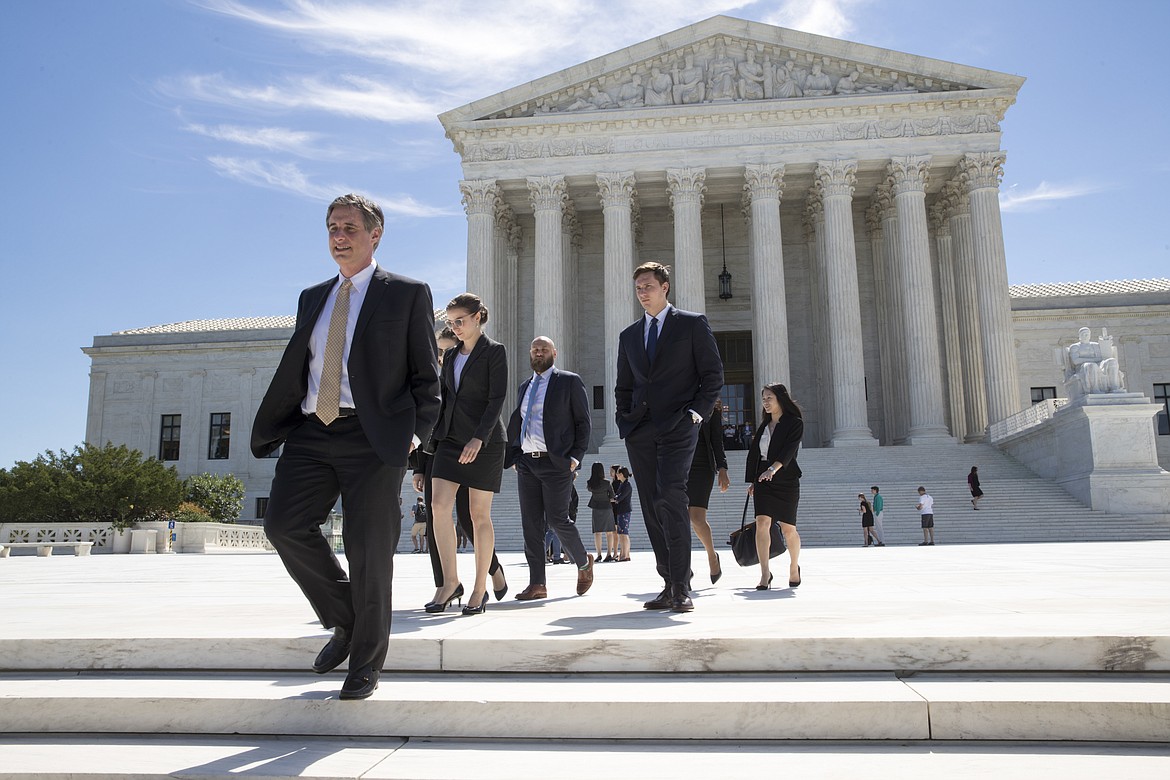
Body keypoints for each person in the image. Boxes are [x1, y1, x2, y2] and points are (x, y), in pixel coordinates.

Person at [251, 193, 441, 701]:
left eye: (350, 228)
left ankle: (366, 661)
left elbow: (427, 376)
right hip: (312, 429)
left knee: (369, 549)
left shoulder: (406, 294)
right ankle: (347, 620)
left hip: (372, 436)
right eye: (333, 227)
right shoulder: (312, 296)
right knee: (284, 525)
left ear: (374, 234)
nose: (340, 236)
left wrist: (414, 437)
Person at [616, 262, 724, 613]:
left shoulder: (692, 324)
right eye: (638, 288)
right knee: (650, 505)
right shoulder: (629, 336)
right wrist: (625, 422)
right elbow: (624, 386)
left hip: (679, 427)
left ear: (665, 287)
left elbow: (712, 375)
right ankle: (668, 582)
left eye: (648, 286)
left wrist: (695, 415)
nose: (642, 293)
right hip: (641, 431)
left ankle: (681, 585)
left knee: (670, 497)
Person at [427, 293, 509, 617]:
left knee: (478, 516)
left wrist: (479, 438)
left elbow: (496, 399)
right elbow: (444, 401)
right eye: (451, 322)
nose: (455, 327)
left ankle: (479, 588)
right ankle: (450, 583)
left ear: (477, 317)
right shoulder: (451, 356)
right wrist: (426, 438)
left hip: (485, 443)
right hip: (449, 440)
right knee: (438, 506)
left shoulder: (494, 352)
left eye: (460, 321)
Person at [507, 336, 595, 601]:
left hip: (556, 462)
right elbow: (518, 421)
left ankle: (583, 562)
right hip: (527, 463)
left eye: (544, 349)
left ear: (554, 353)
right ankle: (537, 583)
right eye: (534, 349)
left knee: (557, 519)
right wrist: (514, 455)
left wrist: (576, 457)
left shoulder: (568, 381)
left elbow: (583, 422)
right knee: (531, 525)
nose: (538, 352)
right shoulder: (525, 386)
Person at [745, 383, 804, 590]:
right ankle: (764, 573)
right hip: (763, 479)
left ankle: (794, 566)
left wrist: (773, 469)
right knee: (762, 523)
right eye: (763, 399)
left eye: (769, 397)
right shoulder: (763, 425)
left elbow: (789, 451)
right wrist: (753, 481)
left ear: (780, 398)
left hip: (786, 479)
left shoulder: (794, 423)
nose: (766, 402)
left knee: (789, 529)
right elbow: (755, 455)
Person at [688, 399, 731, 584]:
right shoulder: (673, 397)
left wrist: (722, 467)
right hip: (677, 465)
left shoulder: (711, 407)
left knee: (697, 518)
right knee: (678, 518)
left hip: (701, 467)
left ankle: (712, 556)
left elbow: (716, 440)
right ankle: (682, 567)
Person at [587, 462, 617, 563]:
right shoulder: (607, 483)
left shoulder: (590, 483)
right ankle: (609, 554)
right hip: (607, 508)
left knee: (597, 532)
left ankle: (599, 554)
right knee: (609, 532)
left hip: (596, 508)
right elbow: (612, 496)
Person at [612, 465, 633, 561]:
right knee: (621, 533)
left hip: (624, 510)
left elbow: (620, 497)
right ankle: (624, 554)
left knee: (624, 533)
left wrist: (614, 499)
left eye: (617, 473)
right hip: (621, 510)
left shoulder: (627, 485)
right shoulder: (622, 484)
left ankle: (625, 554)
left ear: (621, 474)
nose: (616, 475)